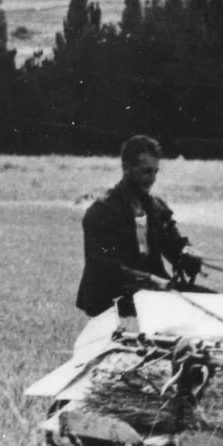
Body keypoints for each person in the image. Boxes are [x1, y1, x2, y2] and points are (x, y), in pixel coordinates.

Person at [75, 135, 202, 324]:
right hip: (113, 294)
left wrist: (188, 254)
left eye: (155, 172)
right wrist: (150, 280)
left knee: (212, 301)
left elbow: (175, 247)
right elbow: (106, 267)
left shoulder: (156, 208)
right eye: (146, 171)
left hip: (154, 289)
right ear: (126, 167)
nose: (152, 179)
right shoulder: (102, 211)